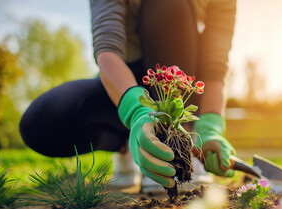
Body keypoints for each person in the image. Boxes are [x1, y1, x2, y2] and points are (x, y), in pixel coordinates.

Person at [19, 0, 237, 192]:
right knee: (40, 123)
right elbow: (107, 49)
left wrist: (209, 126)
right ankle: (130, 145)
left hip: (179, 81)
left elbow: (215, 67)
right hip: (122, 82)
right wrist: (136, 111)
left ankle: (178, 147)